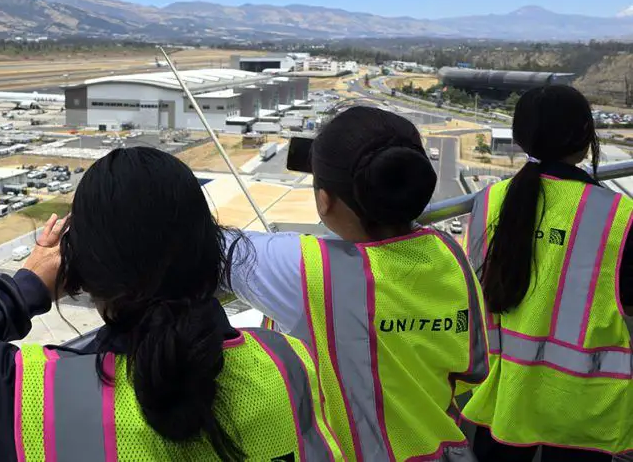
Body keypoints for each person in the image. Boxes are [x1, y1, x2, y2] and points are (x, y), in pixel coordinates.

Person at [0, 147, 342, 462]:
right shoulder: (289, 362)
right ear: (211, 251)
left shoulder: (41, 400)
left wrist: (29, 284)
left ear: (81, 269)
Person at [227, 106, 489, 462]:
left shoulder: (310, 269)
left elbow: (212, 246)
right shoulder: (448, 253)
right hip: (443, 451)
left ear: (324, 201)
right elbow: (471, 371)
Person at [463, 85, 633, 461]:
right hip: (582, 405)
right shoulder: (618, 215)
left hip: (504, 395)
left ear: (521, 137)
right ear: (586, 139)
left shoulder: (489, 201)